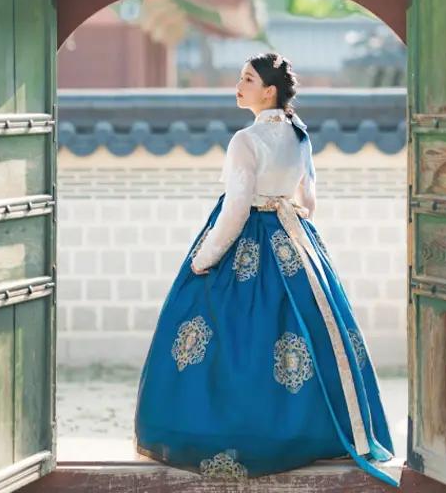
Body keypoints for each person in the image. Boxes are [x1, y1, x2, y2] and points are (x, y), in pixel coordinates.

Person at [134, 52, 397, 485]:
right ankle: (309, 433)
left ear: (269, 91)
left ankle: (226, 434)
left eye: (248, 79)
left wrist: (204, 258)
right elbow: (308, 201)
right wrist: (285, 219)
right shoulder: (299, 135)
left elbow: (236, 211)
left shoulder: (246, 140)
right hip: (292, 239)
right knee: (310, 337)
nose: (238, 86)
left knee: (227, 339)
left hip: (247, 239)